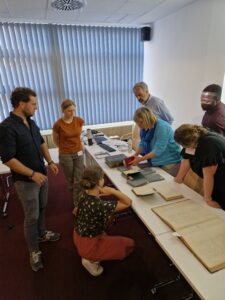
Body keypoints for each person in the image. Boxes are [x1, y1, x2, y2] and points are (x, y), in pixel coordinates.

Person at [0, 87, 60, 272]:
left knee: (42, 207)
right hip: (26, 182)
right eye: (33, 104)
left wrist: (49, 161)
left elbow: (41, 142)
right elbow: (8, 159)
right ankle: (34, 250)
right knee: (31, 216)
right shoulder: (6, 128)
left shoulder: (31, 122)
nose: (36, 107)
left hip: (42, 174)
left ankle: (41, 234)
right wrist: (32, 174)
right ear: (21, 104)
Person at [73, 166, 135, 276]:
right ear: (99, 182)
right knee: (129, 245)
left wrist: (101, 192)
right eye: (102, 178)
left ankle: (90, 254)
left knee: (109, 235)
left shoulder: (83, 194)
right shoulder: (100, 206)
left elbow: (75, 211)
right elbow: (128, 202)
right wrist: (112, 190)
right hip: (89, 246)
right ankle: (90, 260)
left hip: (78, 235)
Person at [174, 124, 225, 209]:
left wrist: (207, 199)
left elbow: (209, 174)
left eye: (183, 145)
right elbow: (186, 159)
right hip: (215, 179)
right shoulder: (194, 139)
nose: (183, 147)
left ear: (190, 142)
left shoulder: (209, 144)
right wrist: (178, 178)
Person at [130, 107, 181, 176]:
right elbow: (142, 143)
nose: (139, 125)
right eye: (137, 123)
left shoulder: (162, 127)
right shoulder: (144, 127)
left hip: (170, 162)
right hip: (156, 160)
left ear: (147, 119)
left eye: (141, 122)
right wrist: (135, 155)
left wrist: (140, 159)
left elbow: (158, 150)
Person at [52, 99, 84, 206]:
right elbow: (56, 140)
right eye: (69, 111)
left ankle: (77, 203)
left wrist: (80, 146)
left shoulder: (79, 120)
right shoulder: (58, 124)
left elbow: (78, 135)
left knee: (78, 179)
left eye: (73, 110)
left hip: (79, 152)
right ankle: (75, 200)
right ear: (63, 110)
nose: (72, 113)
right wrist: (64, 148)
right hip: (66, 155)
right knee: (70, 180)